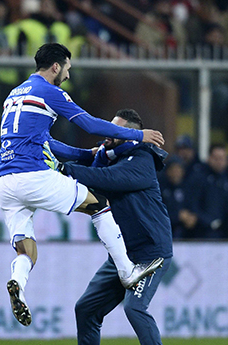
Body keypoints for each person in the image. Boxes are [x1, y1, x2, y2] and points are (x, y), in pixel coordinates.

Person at [0, 42, 165, 327]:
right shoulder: (50, 91)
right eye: (68, 69)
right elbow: (90, 124)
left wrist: (87, 155)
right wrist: (137, 135)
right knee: (98, 205)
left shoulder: (15, 94)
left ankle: (17, 284)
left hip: (4, 182)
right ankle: (127, 271)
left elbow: (46, 142)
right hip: (32, 175)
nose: (69, 76)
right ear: (56, 66)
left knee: (26, 249)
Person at [57, 109, 173, 345]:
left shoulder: (141, 159)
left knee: (134, 308)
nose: (109, 133)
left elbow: (108, 179)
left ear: (130, 135)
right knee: (86, 308)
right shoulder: (109, 156)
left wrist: (63, 169)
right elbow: (80, 157)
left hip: (151, 253)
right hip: (123, 254)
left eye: (116, 130)